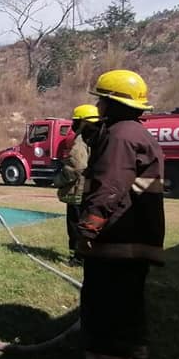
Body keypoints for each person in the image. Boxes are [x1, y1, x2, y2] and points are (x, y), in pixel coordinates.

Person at [76, 69, 165, 359]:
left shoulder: (120, 136)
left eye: (102, 100)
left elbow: (110, 186)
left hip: (117, 237)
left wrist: (88, 228)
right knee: (128, 298)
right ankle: (132, 348)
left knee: (105, 301)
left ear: (113, 103)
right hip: (137, 235)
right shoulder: (138, 134)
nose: (98, 106)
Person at [53, 104, 101, 266]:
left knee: (75, 226)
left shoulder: (80, 140)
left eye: (75, 121)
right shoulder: (100, 138)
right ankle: (87, 256)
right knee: (89, 224)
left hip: (78, 192)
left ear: (82, 122)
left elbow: (77, 166)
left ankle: (77, 258)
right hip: (92, 190)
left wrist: (59, 179)